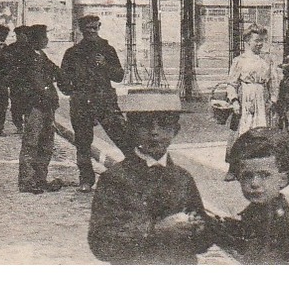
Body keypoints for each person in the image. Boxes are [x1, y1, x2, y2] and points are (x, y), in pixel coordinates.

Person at [88, 90, 211, 263]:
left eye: (163, 124)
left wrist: (200, 229)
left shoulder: (183, 178)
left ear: (176, 130)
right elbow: (100, 243)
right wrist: (154, 230)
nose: (154, 132)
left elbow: (202, 242)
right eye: (144, 124)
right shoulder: (114, 179)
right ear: (130, 129)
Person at [211, 127, 289, 264]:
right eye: (247, 176)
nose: (255, 183)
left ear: (283, 179)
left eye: (264, 175)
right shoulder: (249, 219)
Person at [61, 14, 130, 191]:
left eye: (95, 27)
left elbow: (119, 76)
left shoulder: (107, 50)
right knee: (83, 144)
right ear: (81, 30)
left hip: (104, 100)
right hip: (81, 103)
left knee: (122, 137)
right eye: (88, 28)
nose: (92, 31)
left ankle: (135, 174)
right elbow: (63, 78)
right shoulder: (73, 52)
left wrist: (106, 65)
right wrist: (71, 91)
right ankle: (86, 180)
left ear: (99, 27)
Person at [15, 26, 67, 193]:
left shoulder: (41, 56)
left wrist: (67, 79)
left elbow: (56, 71)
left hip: (46, 105)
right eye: (44, 36)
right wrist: (51, 95)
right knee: (32, 143)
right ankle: (27, 181)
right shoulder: (29, 58)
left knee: (46, 143)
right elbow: (37, 83)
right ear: (35, 40)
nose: (46, 39)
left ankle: (40, 178)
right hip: (35, 106)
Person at [223, 24, 277, 181]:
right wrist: (234, 101)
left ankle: (256, 169)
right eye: (256, 40)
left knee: (260, 134)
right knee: (240, 134)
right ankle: (233, 168)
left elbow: (273, 82)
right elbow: (231, 83)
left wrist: (272, 99)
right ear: (247, 41)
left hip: (261, 99)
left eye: (262, 41)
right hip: (244, 98)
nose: (259, 44)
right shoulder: (239, 61)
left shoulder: (266, 61)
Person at [2, 28, 30, 134]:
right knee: (16, 106)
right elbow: (5, 64)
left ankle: (28, 124)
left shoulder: (31, 48)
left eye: (22, 35)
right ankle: (19, 125)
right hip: (16, 82)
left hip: (28, 82)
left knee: (28, 104)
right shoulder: (11, 48)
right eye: (18, 35)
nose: (20, 37)